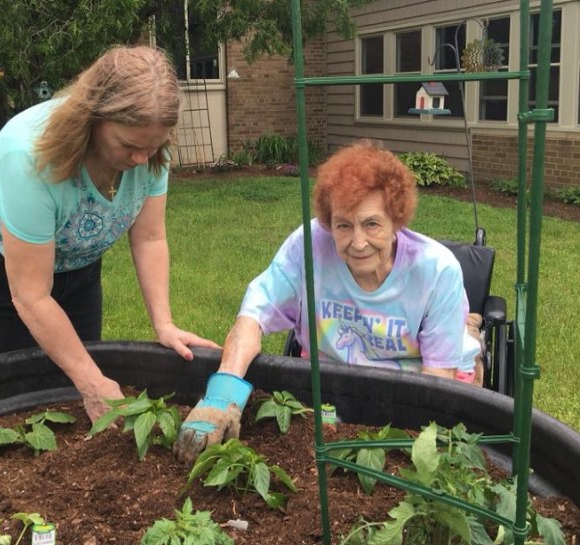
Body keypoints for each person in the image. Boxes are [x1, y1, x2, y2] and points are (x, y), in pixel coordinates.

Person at [0, 45, 218, 423]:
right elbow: (31, 295)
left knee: (82, 373)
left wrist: (164, 323)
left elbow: (149, 238)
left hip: (77, 258)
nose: (141, 159)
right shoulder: (29, 158)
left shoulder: (151, 151)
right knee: (24, 393)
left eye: (152, 145)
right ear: (93, 119)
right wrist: (90, 380)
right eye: (129, 145)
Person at [172, 139, 484, 464]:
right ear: (328, 222)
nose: (358, 242)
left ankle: (469, 327)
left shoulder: (436, 270)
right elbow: (252, 317)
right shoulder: (308, 247)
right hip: (333, 386)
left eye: (372, 224)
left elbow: (436, 383)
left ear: (397, 220)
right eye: (344, 226)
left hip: (407, 386)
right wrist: (221, 397)